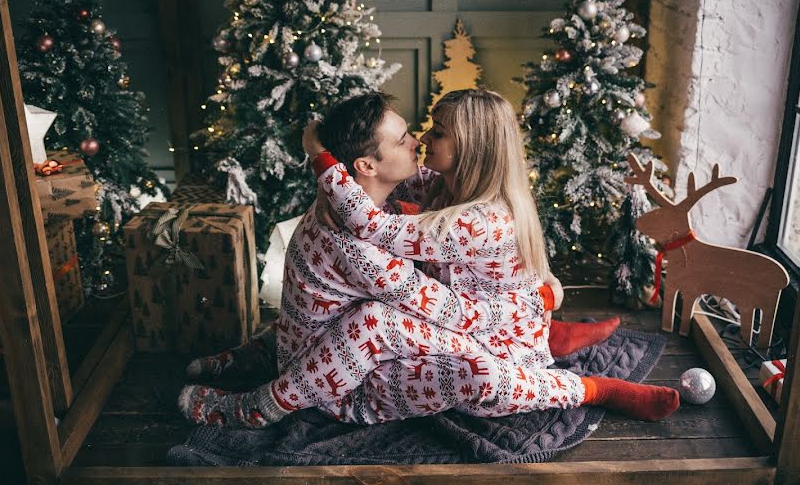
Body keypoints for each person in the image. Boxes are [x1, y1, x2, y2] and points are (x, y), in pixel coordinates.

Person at [178, 91, 679, 428]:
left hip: (480, 323)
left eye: (434, 132)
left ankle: (580, 378)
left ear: (472, 149)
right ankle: (548, 330)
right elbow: (369, 218)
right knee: (360, 318)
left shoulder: (471, 214)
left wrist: (322, 159)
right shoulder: (436, 187)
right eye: (410, 137)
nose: (420, 138)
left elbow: (374, 227)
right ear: (368, 166)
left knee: (377, 321)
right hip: (452, 322)